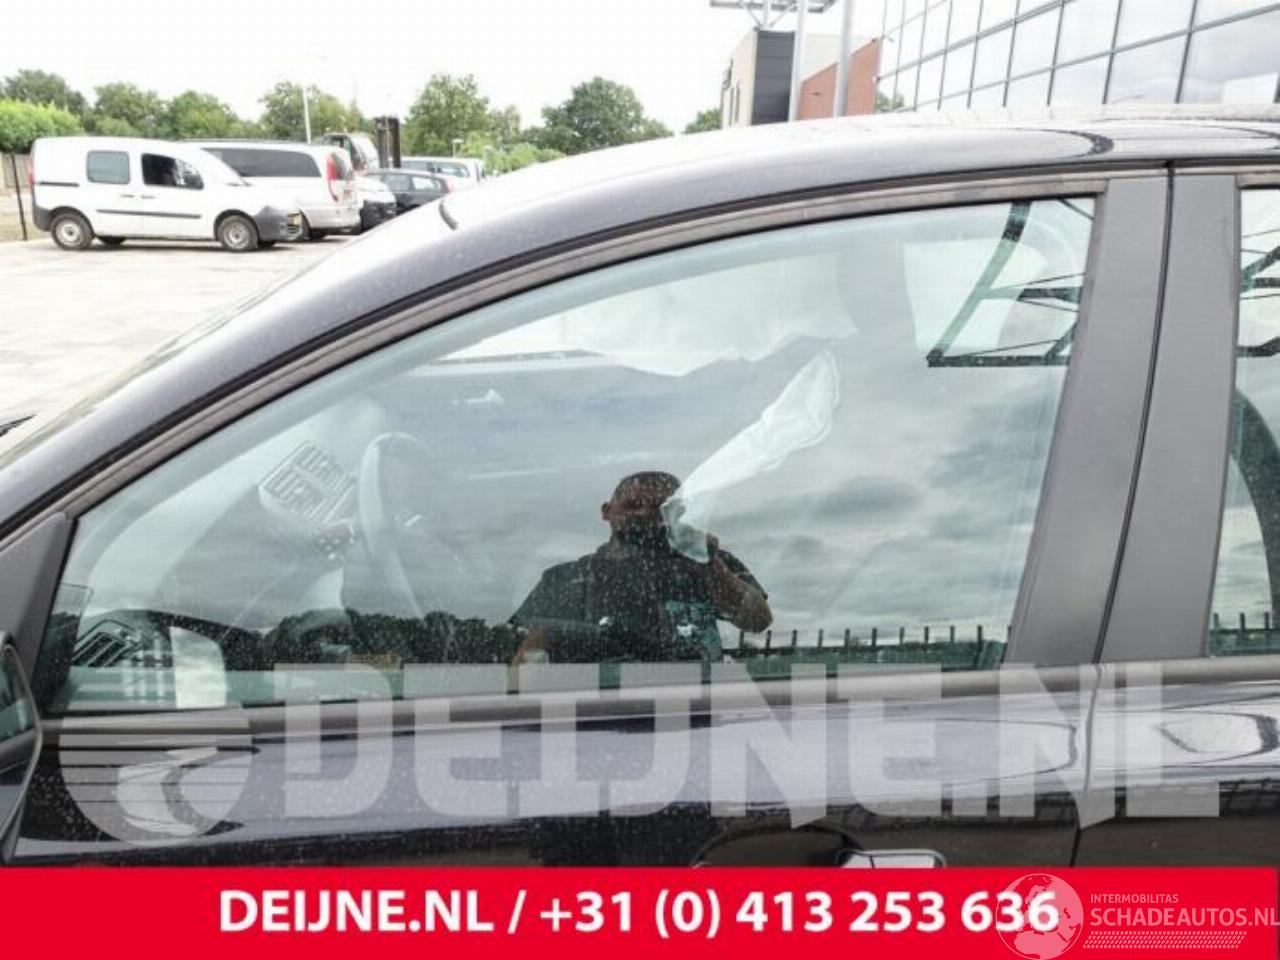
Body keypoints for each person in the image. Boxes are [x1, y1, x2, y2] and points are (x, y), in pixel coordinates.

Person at [510, 471, 771, 664]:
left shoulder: (709, 561)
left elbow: (757, 621)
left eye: (662, 508)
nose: (645, 513)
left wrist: (710, 565)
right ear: (606, 511)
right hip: (595, 712)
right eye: (633, 505)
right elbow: (530, 656)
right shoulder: (569, 577)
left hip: (697, 708)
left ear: (679, 512)